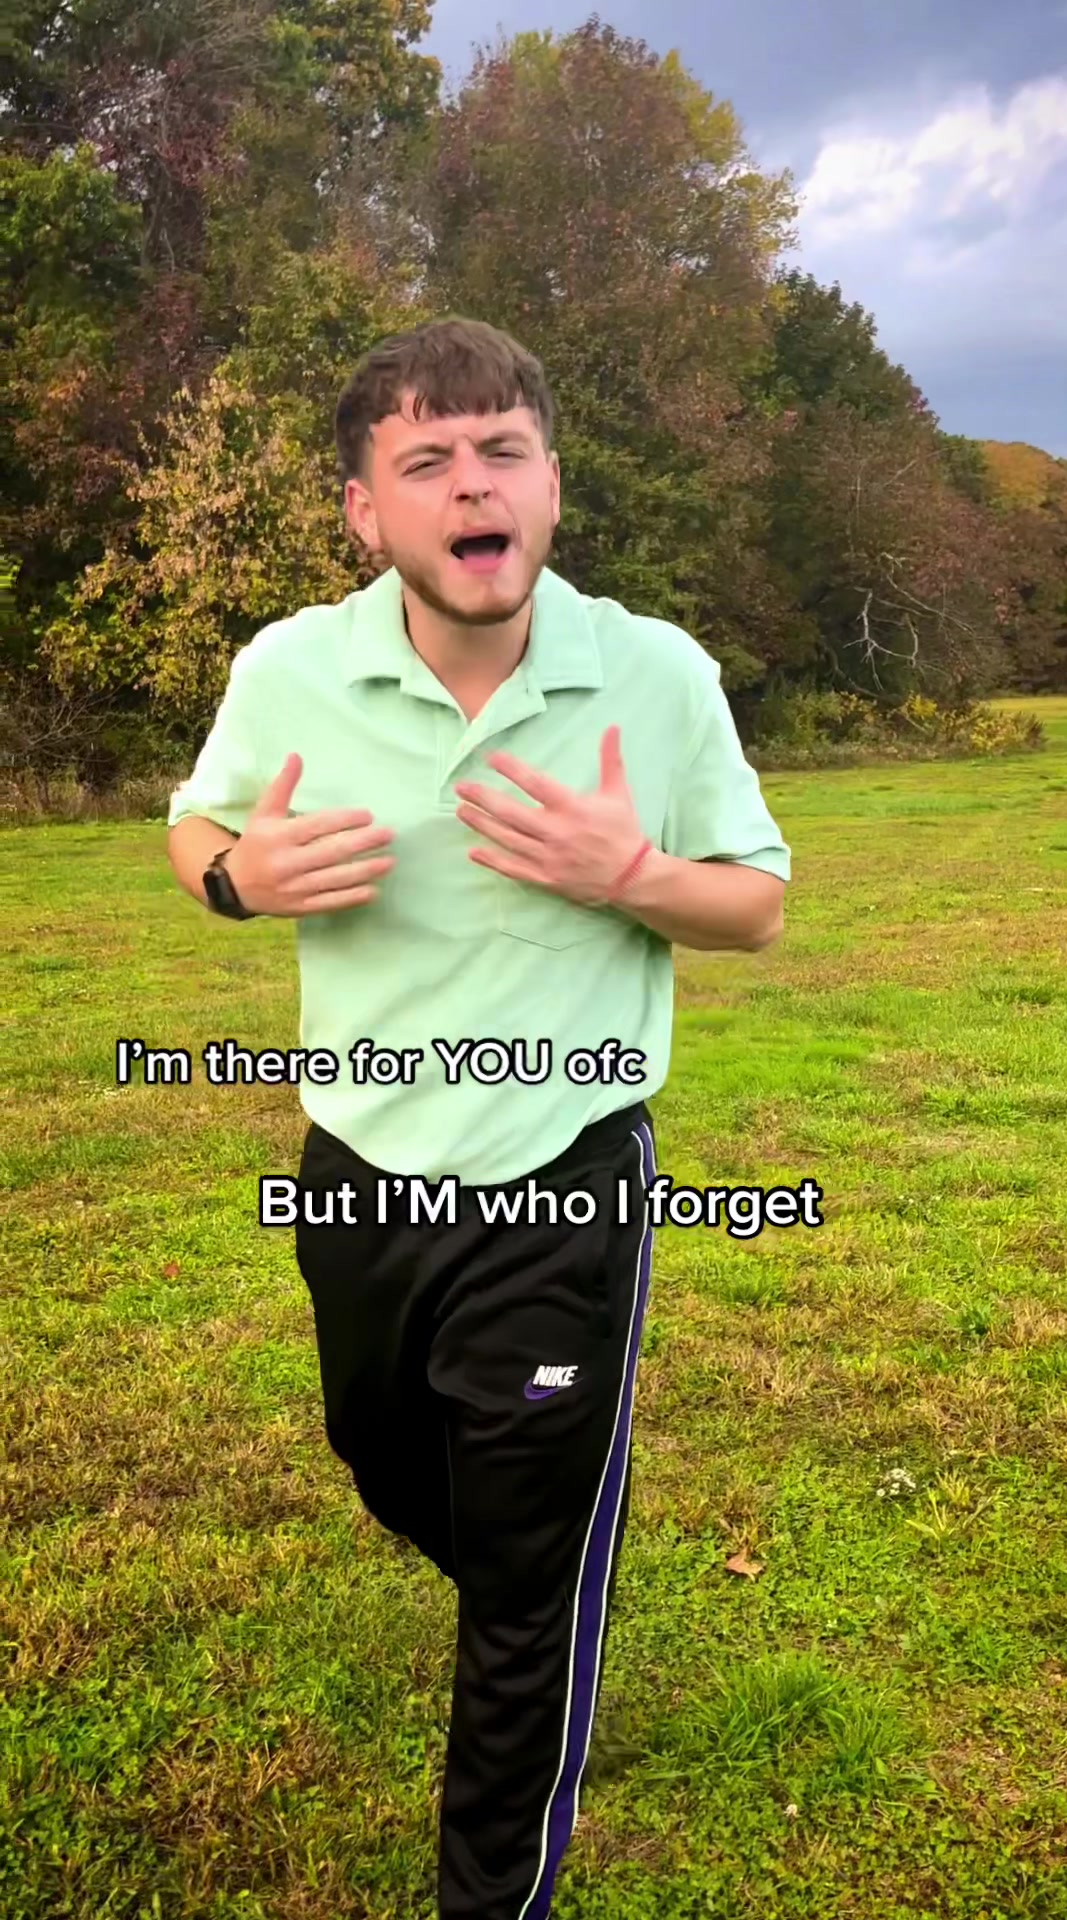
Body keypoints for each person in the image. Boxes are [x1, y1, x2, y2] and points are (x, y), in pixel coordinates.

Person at [166, 315, 791, 1919]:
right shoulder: (290, 670)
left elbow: (755, 905)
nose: (473, 483)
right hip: (360, 1171)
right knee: (381, 1459)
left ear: (551, 486)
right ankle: (536, 1576)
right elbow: (199, 829)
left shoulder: (655, 675)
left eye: (504, 450)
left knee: (522, 1583)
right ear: (365, 510)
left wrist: (629, 873)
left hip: (562, 1180)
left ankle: (504, 1814)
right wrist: (238, 881)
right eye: (429, 459)